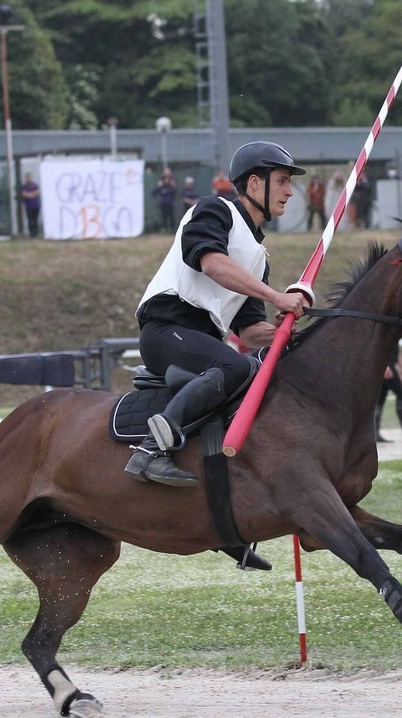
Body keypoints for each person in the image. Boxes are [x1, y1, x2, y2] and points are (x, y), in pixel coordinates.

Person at [126, 140, 308, 487]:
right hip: (167, 331)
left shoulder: (258, 256)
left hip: (202, 343)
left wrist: (292, 332)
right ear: (255, 182)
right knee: (236, 365)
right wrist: (276, 297)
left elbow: (251, 330)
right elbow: (211, 262)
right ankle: (150, 450)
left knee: (253, 368)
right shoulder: (215, 210)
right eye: (283, 181)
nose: (290, 192)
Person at [20, 172, 41, 237]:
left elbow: (37, 192)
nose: (28, 178)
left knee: (35, 219)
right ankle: (31, 233)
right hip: (28, 206)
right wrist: (31, 194)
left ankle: (36, 233)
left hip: (35, 205)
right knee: (30, 220)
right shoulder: (24, 186)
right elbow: (24, 194)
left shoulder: (35, 185)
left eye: (29, 177)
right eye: (27, 177)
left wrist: (30, 194)